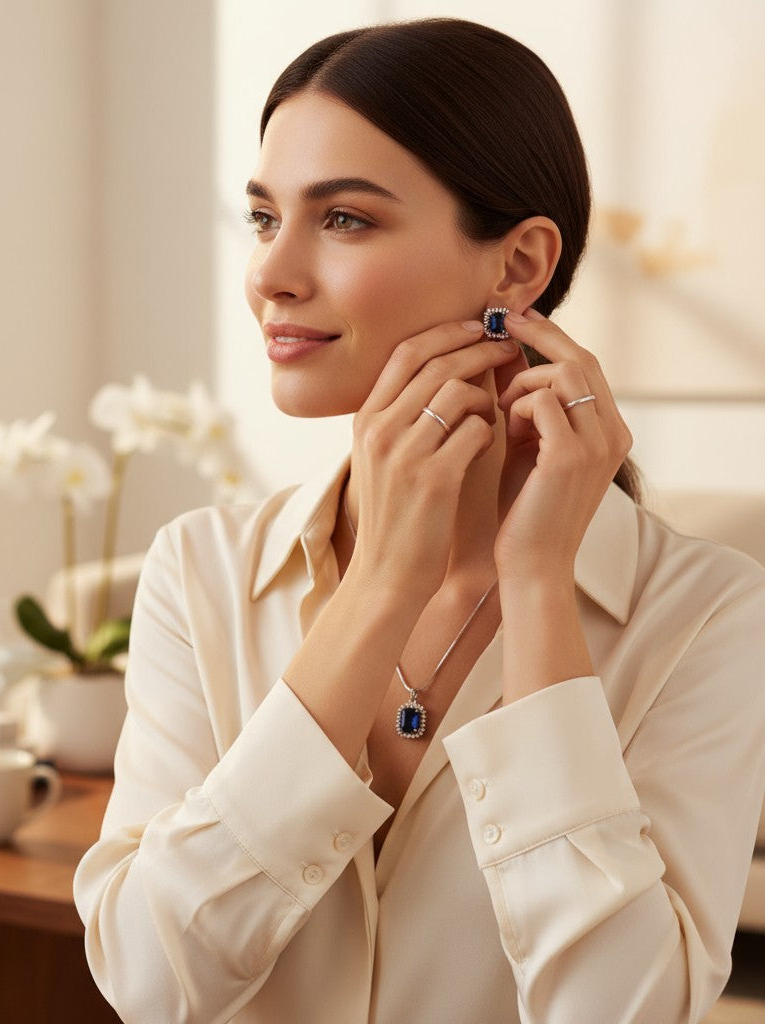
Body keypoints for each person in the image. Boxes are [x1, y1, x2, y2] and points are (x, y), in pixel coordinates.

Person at [74, 18, 765, 1023]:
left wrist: (539, 589)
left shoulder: (708, 612)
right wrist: (381, 586)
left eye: (344, 219)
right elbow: (148, 981)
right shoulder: (199, 569)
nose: (271, 273)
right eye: (264, 217)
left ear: (518, 266)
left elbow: (623, 1008)